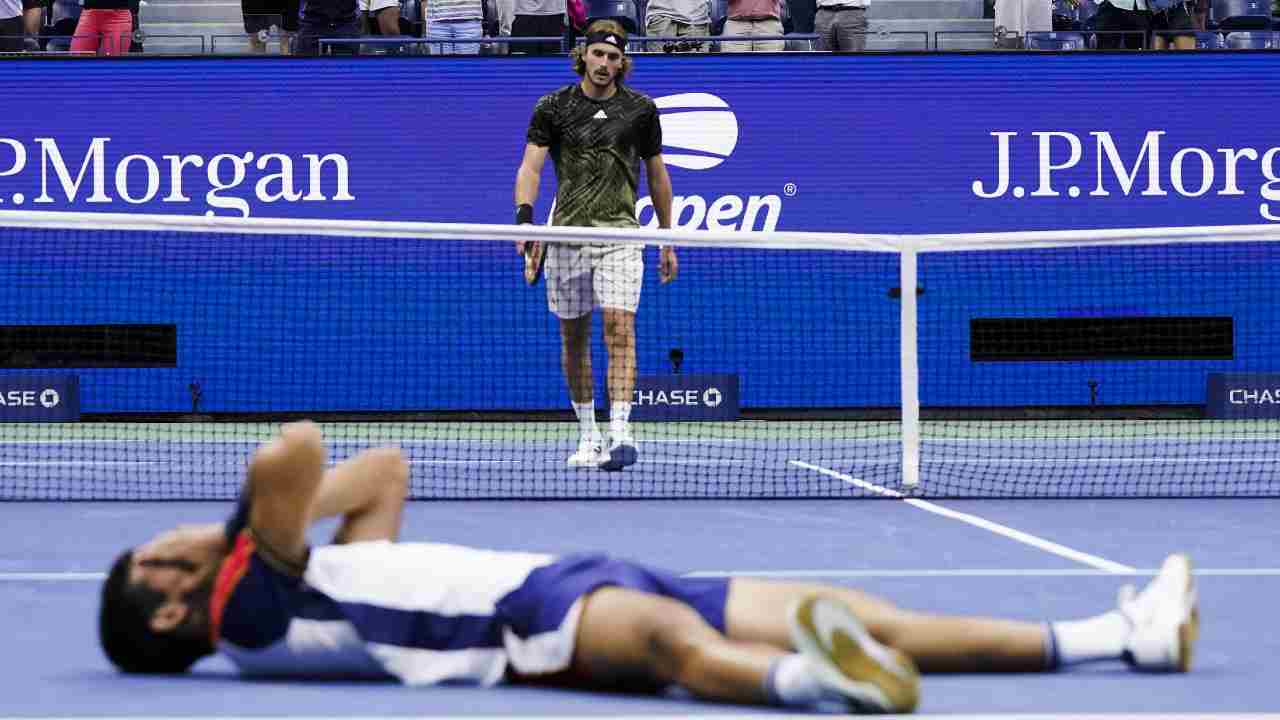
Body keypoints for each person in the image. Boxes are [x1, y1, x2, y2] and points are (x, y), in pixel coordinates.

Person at [99, 422, 1200, 713]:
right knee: (680, 650)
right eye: (157, 559)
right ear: (167, 611)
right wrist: (229, 531)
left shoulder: (303, 588)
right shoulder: (245, 617)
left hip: (563, 571)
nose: (171, 545)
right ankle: (812, 685)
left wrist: (263, 528)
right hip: (520, 628)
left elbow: (379, 470)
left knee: (850, 606)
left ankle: (1117, 638)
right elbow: (287, 451)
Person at [513, 20, 678, 472]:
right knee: (574, 340)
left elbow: (658, 175)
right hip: (566, 236)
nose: (605, 64)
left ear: (623, 62)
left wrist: (666, 237)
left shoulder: (640, 110)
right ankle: (589, 434)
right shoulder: (553, 107)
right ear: (583, 55)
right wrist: (526, 223)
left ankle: (622, 431)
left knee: (620, 330)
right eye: (598, 55)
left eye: (613, 57)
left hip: (621, 236)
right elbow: (530, 167)